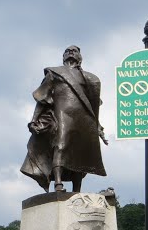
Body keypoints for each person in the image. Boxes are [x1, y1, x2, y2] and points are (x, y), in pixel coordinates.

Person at [20, 45, 108, 192]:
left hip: (84, 119)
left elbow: (94, 107)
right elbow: (42, 99)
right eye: (67, 51)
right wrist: (34, 120)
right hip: (63, 114)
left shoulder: (90, 79)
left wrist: (98, 127)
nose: (70, 52)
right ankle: (58, 183)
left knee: (80, 152)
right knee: (61, 145)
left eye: (74, 51)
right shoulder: (54, 73)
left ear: (80, 57)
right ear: (63, 56)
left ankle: (77, 189)